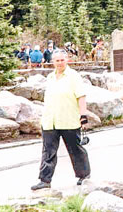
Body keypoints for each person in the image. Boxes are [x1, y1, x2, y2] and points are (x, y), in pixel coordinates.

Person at [31, 51, 90, 190]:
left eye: (62, 60)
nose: (60, 63)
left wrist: (83, 116)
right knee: (48, 151)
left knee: (75, 149)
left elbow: (81, 97)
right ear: (53, 62)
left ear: (67, 60)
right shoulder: (50, 77)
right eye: (57, 60)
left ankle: (84, 175)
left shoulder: (74, 76)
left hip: (68, 119)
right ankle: (45, 180)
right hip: (50, 120)